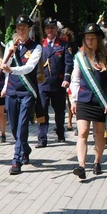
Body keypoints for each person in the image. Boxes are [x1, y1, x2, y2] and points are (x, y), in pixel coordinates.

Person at [69, 23, 107, 179]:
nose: (89, 41)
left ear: (98, 40)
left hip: (99, 100)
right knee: (82, 132)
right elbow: (75, 79)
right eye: (87, 39)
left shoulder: (106, 57)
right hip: (83, 99)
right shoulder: (80, 57)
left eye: (92, 38)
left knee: (98, 133)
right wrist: (73, 100)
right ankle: (81, 166)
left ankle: (97, 161)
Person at [1, 14, 42, 175]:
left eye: (24, 28)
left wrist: (12, 70)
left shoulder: (36, 47)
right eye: (18, 28)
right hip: (12, 90)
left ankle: (16, 160)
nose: (21, 31)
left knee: (22, 126)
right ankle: (25, 148)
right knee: (14, 127)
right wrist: (10, 54)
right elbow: (4, 68)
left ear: (29, 29)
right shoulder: (11, 44)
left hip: (27, 92)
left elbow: (29, 68)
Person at [36, 17, 73, 147]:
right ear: (45, 30)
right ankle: (42, 138)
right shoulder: (40, 45)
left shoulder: (63, 44)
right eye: (47, 28)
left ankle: (61, 133)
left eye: (52, 27)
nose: (50, 30)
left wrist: (67, 79)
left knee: (59, 111)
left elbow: (68, 63)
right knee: (42, 110)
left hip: (58, 83)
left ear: (56, 29)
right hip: (43, 83)